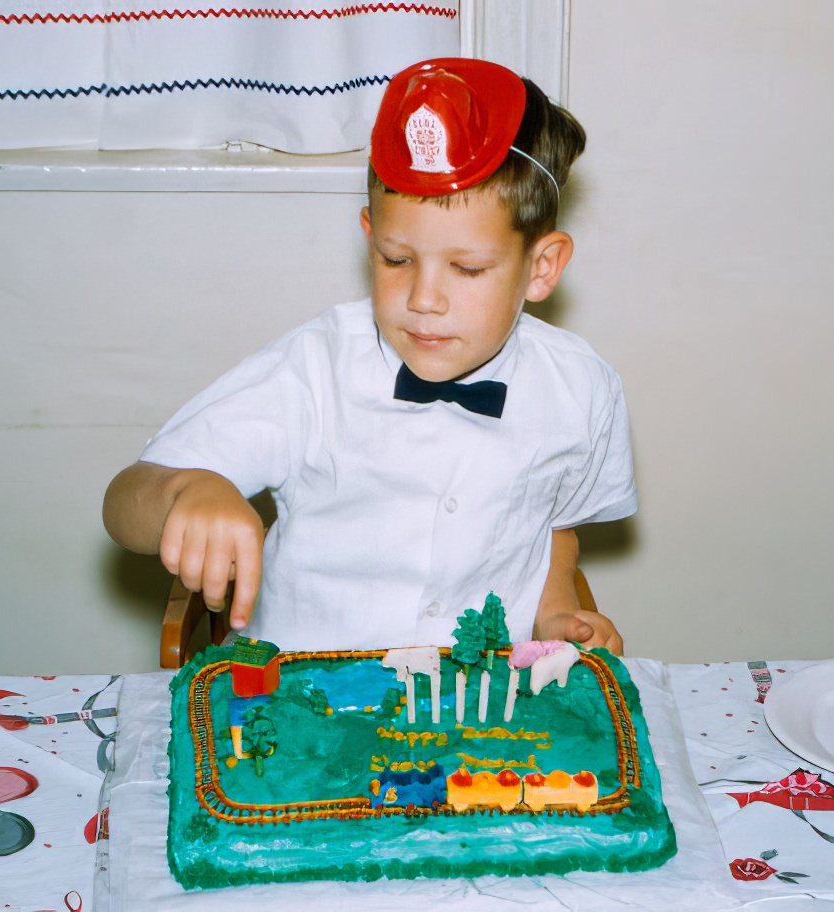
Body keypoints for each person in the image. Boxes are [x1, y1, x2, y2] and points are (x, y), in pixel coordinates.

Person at [103, 58, 635, 653]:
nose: (423, 299)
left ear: (542, 267)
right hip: (305, 703)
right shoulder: (313, 369)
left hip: (476, 715)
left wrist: (555, 609)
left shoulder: (582, 388)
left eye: (467, 268)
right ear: (368, 238)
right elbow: (125, 503)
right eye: (396, 259)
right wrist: (188, 490)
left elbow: (554, 528)